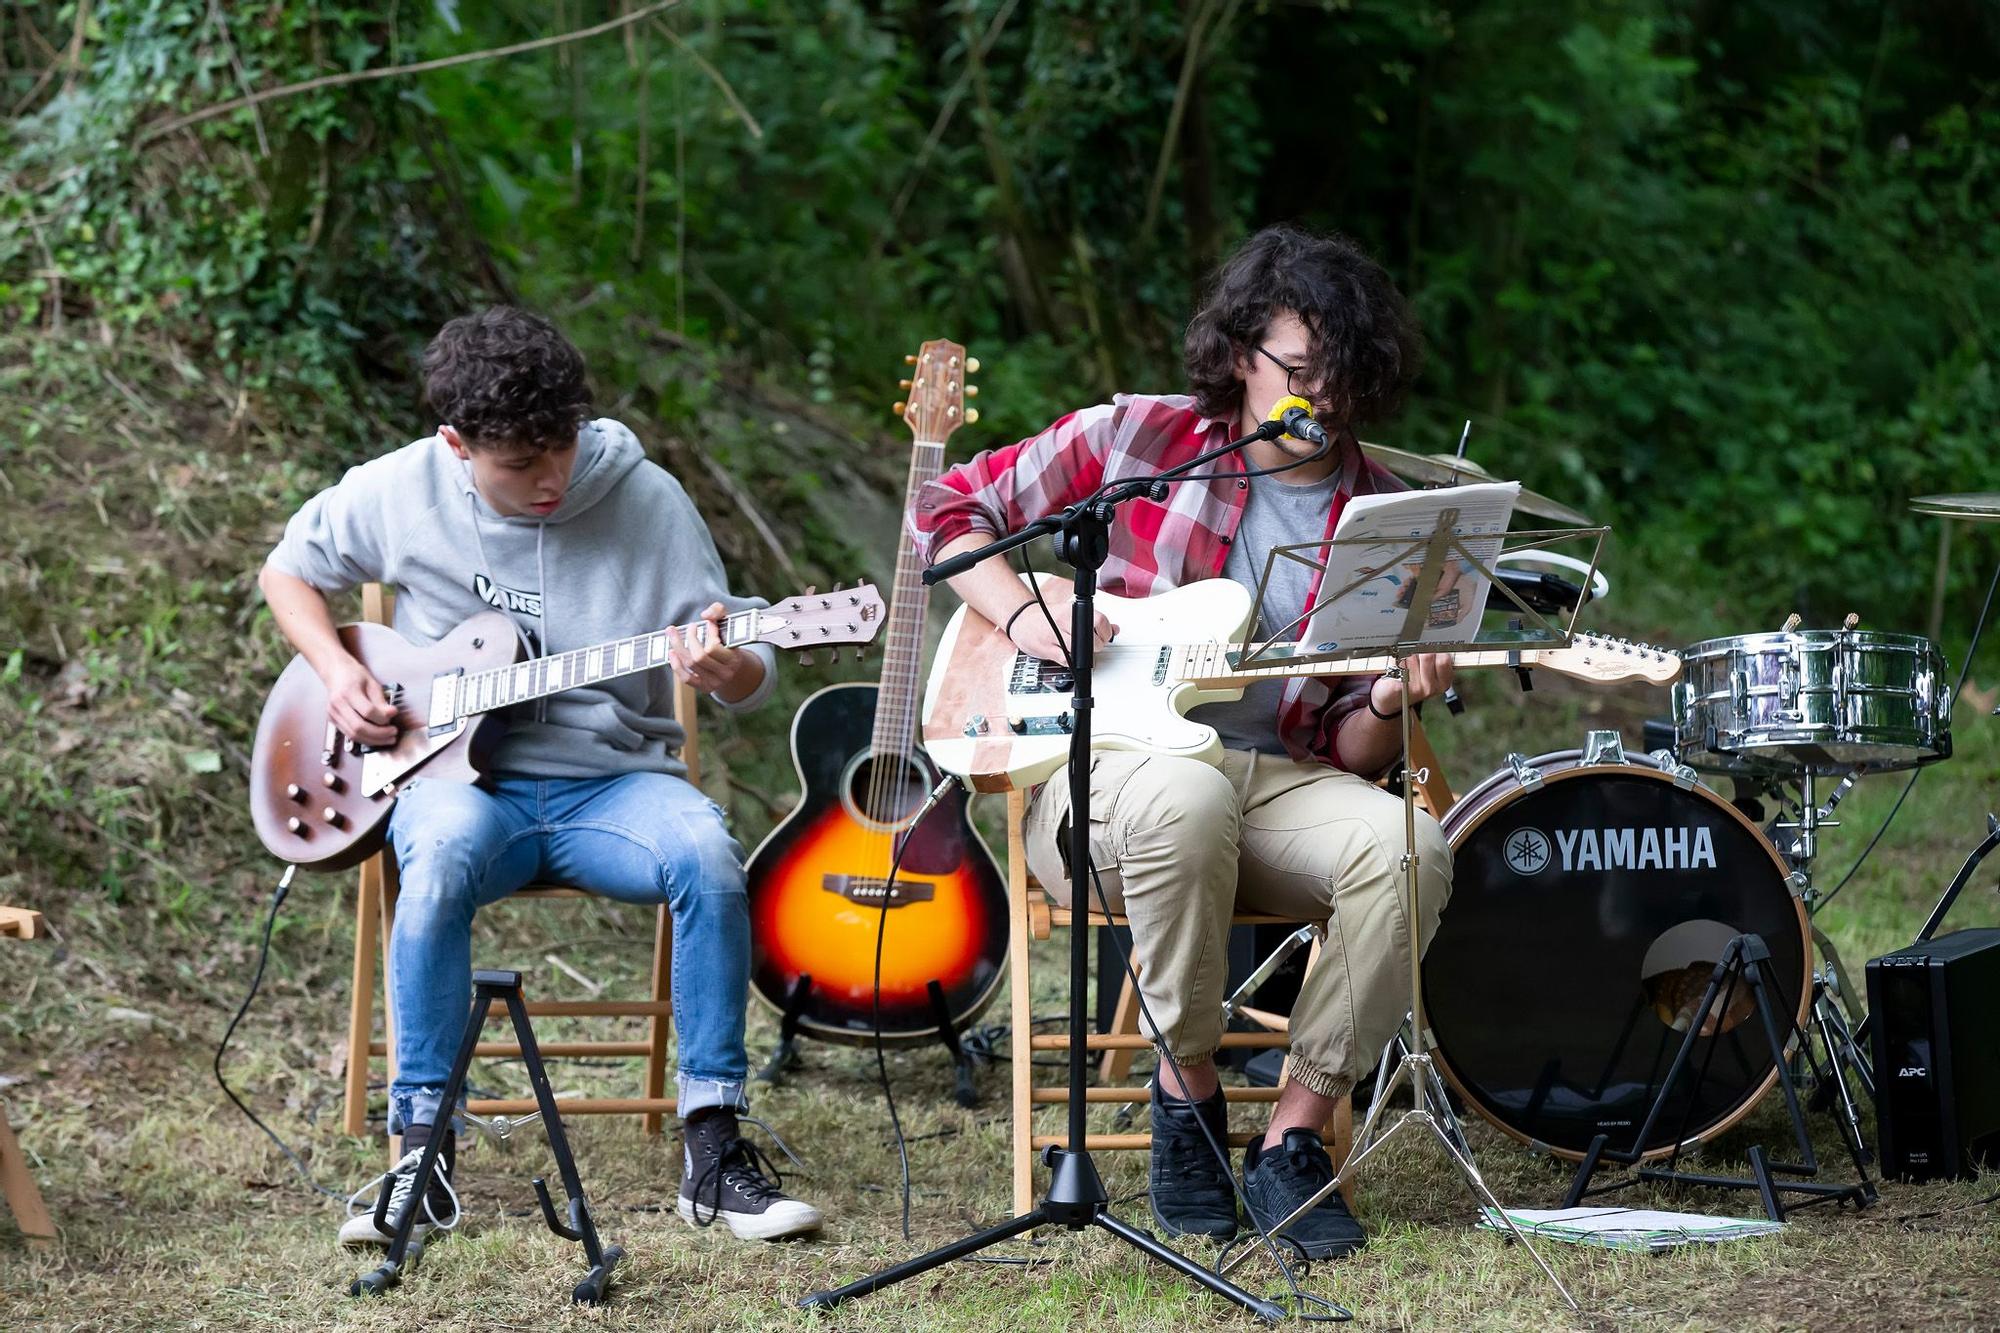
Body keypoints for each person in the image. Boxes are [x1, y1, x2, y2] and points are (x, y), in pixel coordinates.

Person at [909, 224, 1454, 1258]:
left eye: (1340, 376)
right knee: (1184, 797)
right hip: (1098, 779)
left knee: (1408, 849)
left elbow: (1347, 751)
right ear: (1241, 353)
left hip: (1274, 778)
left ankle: (1292, 1136)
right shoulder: (1138, 441)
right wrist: (1026, 611)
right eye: (1296, 371)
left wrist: (1389, 691)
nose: (1319, 398)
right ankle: (1186, 1090)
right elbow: (948, 505)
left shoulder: (1380, 510)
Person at [258, 306, 822, 1246]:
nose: (550, 478)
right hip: (461, 790)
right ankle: (421, 1155)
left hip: (614, 784)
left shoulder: (648, 500)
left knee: (708, 854)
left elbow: (746, 652)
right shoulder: (401, 488)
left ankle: (715, 1148)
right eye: (520, 465)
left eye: (559, 448)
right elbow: (288, 569)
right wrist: (337, 670)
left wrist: (733, 667)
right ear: (456, 445)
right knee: (432, 861)